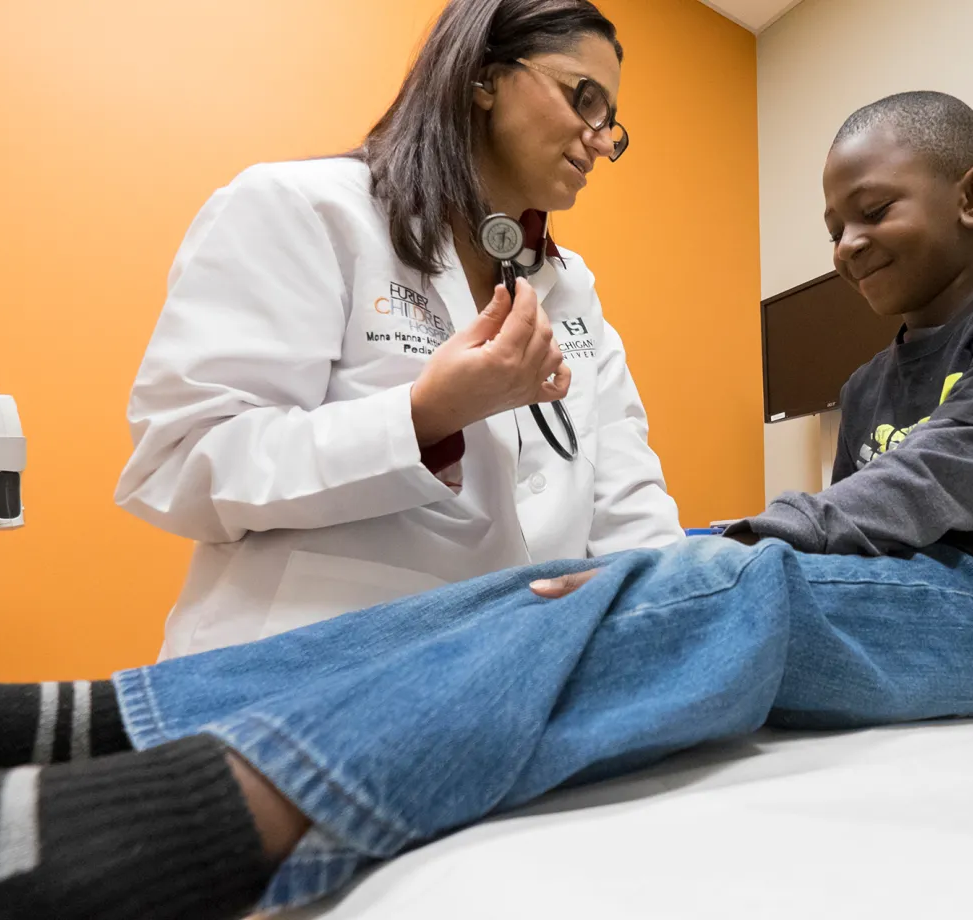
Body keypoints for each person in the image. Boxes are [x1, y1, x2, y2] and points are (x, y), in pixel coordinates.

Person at [0, 91, 973, 920]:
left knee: (724, 580)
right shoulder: (865, 379)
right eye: (832, 223)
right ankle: (74, 720)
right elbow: (849, 535)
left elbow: (915, 499)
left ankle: (183, 827)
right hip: (917, 601)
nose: (847, 243)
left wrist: (708, 549)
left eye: (875, 213)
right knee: (550, 589)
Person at [114, 0, 683, 659]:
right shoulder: (309, 210)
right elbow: (180, 464)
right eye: (584, 99)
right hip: (300, 670)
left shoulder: (571, 288)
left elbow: (631, 509)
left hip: (505, 676)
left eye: (612, 121)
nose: (603, 139)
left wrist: (654, 600)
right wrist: (421, 419)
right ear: (485, 76)